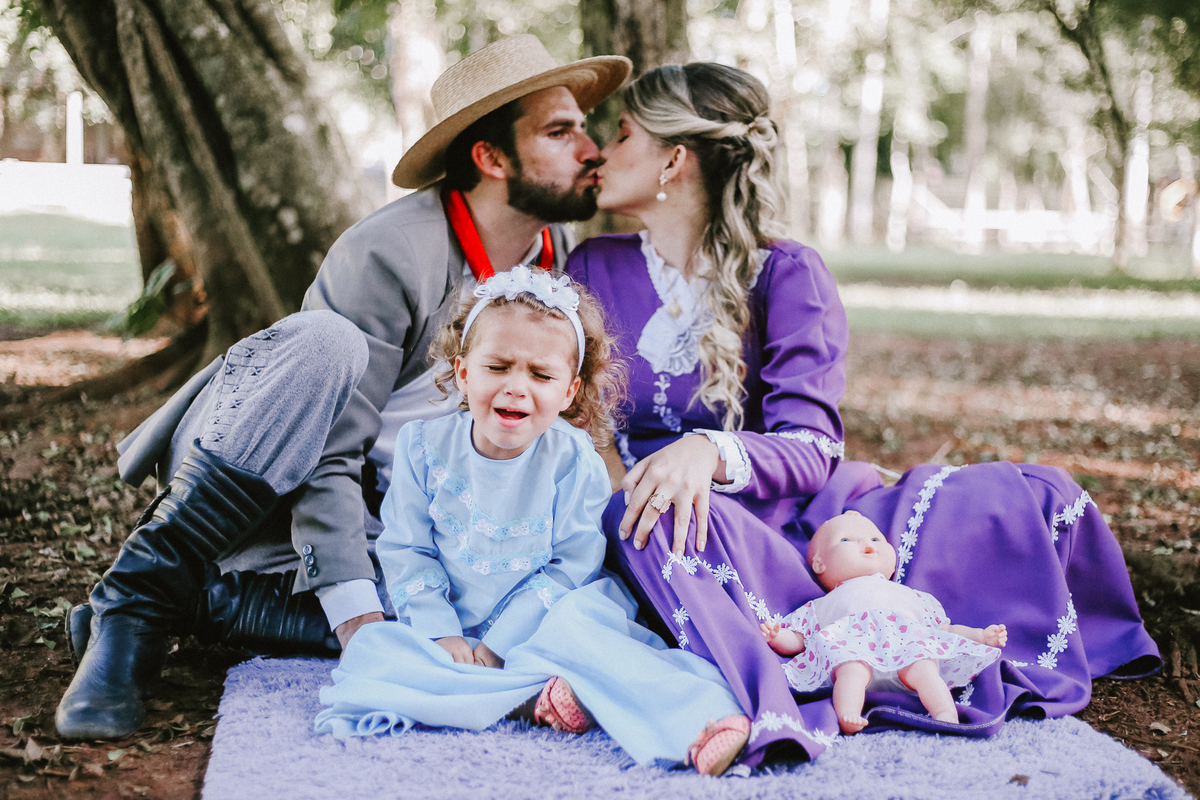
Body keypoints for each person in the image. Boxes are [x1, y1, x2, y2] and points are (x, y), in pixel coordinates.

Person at [566, 62, 1160, 767]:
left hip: (780, 511)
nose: (601, 149)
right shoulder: (593, 264)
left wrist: (707, 451)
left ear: (675, 159)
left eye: (624, 131)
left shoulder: (788, 273)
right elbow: (580, 418)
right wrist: (620, 481)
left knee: (1026, 500)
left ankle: (829, 636)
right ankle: (783, 670)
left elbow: (810, 443)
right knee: (656, 517)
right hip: (650, 512)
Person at [55, 35, 633, 740]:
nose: (591, 147)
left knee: (477, 606)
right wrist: (359, 624)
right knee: (326, 342)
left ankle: (199, 602)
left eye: (585, 127)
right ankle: (136, 601)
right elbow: (331, 453)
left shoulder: (552, 257)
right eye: (561, 131)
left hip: (389, 507)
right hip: (268, 472)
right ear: (490, 157)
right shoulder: (389, 249)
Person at [315, 267, 751, 775]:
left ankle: (699, 719)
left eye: (541, 376)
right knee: (374, 651)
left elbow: (573, 563)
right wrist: (440, 633)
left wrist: (500, 644)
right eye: (497, 366)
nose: (516, 388)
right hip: (449, 618)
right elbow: (407, 549)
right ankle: (536, 698)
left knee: (594, 643)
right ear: (463, 373)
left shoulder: (573, 458)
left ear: (569, 392)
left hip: (546, 615)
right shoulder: (422, 447)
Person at [760, 511, 1006, 735]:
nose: (866, 543)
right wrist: (777, 637)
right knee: (850, 671)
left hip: (906, 648)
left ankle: (945, 713)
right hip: (854, 649)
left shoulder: (911, 595)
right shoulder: (825, 603)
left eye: (876, 540)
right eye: (846, 540)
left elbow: (944, 630)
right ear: (819, 564)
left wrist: (980, 636)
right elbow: (801, 639)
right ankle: (849, 714)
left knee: (925, 668)